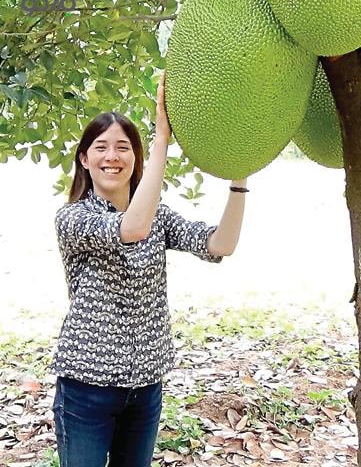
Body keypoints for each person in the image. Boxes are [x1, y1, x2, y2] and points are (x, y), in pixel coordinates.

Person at [50, 71, 247, 467]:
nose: (113, 157)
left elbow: (219, 244)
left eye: (123, 147)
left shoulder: (159, 217)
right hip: (87, 387)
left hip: (145, 386)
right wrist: (162, 137)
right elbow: (132, 228)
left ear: (135, 159)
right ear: (84, 159)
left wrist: (240, 177)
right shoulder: (72, 218)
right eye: (101, 148)